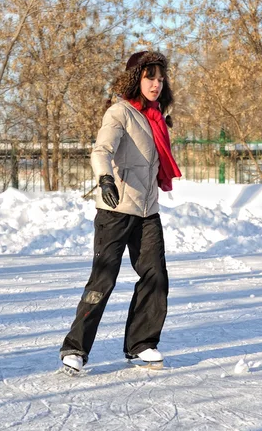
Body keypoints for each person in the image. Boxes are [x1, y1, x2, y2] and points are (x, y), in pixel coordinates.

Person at [60, 50, 181, 372]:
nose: (156, 84)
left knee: (156, 277)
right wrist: (105, 178)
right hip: (115, 210)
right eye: (149, 77)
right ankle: (75, 348)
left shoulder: (156, 118)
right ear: (135, 79)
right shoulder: (120, 113)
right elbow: (102, 150)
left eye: (160, 77)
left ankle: (142, 344)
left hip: (147, 211)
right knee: (103, 279)